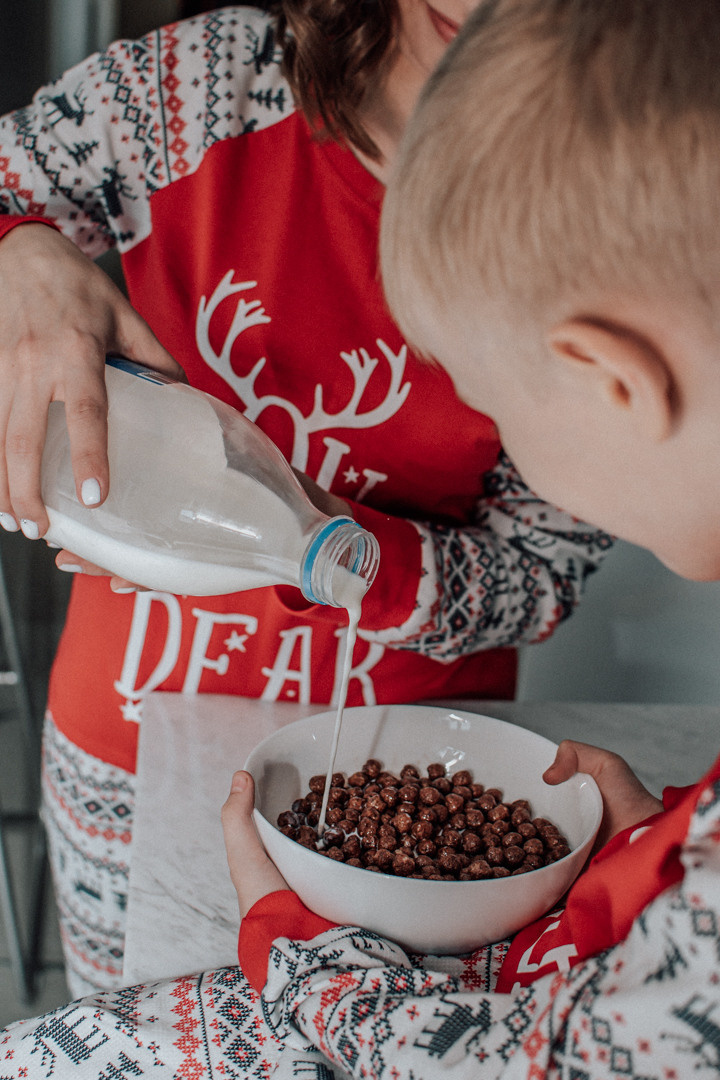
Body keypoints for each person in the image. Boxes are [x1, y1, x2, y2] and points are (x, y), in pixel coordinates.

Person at [1, 1, 718, 1075]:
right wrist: (19, 249)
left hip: (426, 757)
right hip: (141, 732)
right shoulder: (207, 92)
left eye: (484, 398)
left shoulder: (606, 187)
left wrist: (329, 548)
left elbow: (503, 1053)